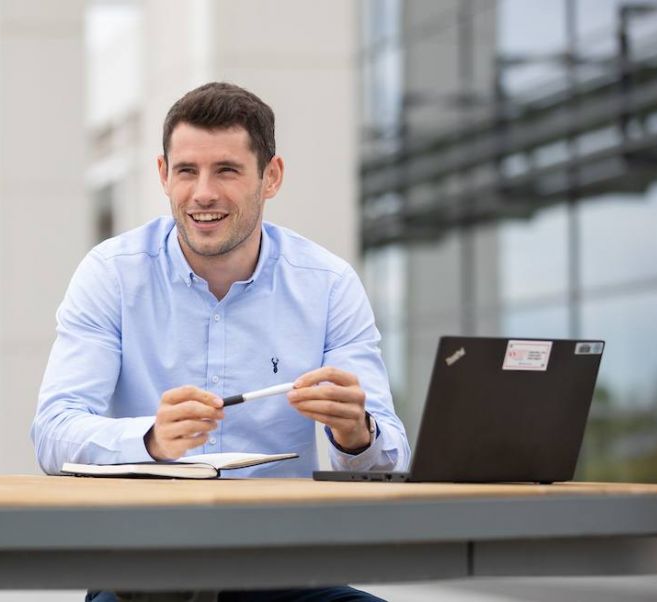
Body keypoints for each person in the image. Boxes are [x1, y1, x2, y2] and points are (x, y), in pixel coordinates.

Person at [32, 82, 410, 602]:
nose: (203, 193)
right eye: (187, 170)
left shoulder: (328, 283)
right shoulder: (111, 275)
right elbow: (53, 433)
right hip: (144, 576)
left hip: (285, 573)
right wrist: (150, 441)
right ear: (163, 176)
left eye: (227, 170)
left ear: (270, 177)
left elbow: (389, 464)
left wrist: (355, 433)